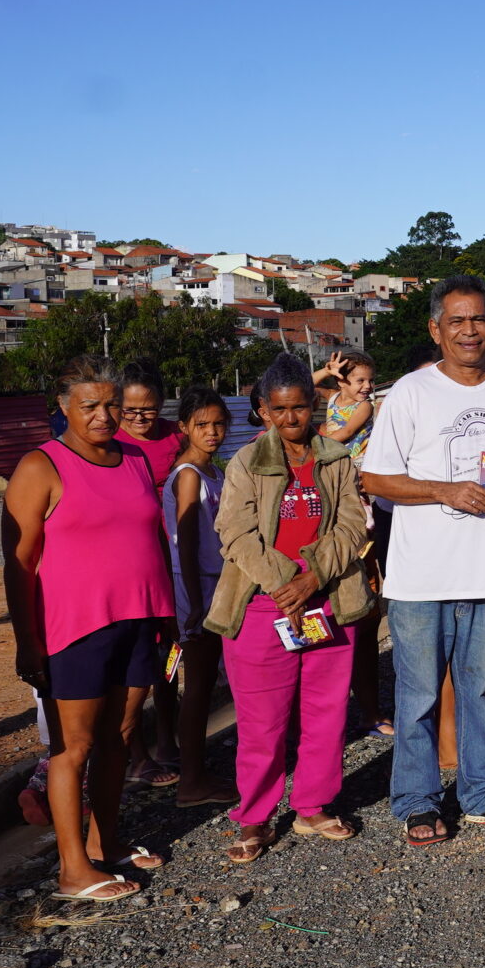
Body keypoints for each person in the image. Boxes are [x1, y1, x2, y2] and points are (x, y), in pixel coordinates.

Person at [356, 275, 485, 844]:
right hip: (421, 575)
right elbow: (374, 477)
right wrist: (445, 490)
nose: (469, 331)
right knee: (416, 694)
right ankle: (416, 799)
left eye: (478, 319)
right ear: (435, 329)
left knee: (481, 688)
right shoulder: (410, 392)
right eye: (456, 321)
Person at [3, 355, 177, 903]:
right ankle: (72, 867)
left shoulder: (132, 460)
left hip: (138, 619)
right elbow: (20, 561)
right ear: (64, 408)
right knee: (72, 747)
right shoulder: (41, 466)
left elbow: (148, 541)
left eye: (111, 406)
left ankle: (107, 844)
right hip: (75, 629)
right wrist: (27, 639)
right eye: (91, 406)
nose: (104, 416)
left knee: (120, 739)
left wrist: (167, 616)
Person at [205, 354, 376, 863]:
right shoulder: (245, 462)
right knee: (262, 721)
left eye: (299, 408)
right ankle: (255, 817)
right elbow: (234, 532)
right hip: (262, 607)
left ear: (314, 405)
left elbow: (352, 524)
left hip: (327, 602)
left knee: (325, 712)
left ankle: (312, 805)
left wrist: (314, 577)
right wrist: (286, 583)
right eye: (279, 410)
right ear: (262, 409)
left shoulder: (335, 458)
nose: (290, 420)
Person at [160, 386, 237, 808]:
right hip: (198, 587)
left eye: (218, 423)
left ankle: (197, 771)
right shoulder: (189, 475)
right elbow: (185, 543)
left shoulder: (213, 472)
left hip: (214, 584)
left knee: (205, 685)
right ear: (184, 427)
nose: (212, 432)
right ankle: (191, 780)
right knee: (198, 686)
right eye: (202, 425)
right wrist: (194, 604)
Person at [116, 361, 187, 785]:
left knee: (171, 655)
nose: (140, 419)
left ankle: (167, 741)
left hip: (175, 561)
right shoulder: (110, 444)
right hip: (133, 565)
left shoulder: (174, 439)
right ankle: (136, 753)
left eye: (149, 410)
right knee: (137, 660)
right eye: (131, 411)